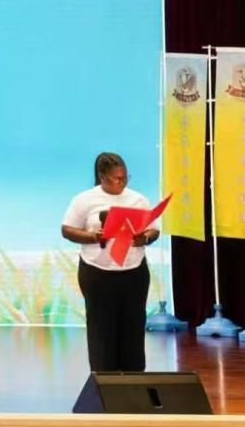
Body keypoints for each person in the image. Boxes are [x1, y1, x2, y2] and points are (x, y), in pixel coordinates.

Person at [61, 152, 158, 372]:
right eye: (117, 178)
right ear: (102, 176)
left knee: (133, 326)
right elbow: (67, 229)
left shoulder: (138, 199)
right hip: (97, 273)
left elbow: (153, 229)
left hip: (134, 272)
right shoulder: (85, 200)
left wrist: (145, 238)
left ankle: (133, 380)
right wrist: (93, 236)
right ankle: (104, 381)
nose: (122, 183)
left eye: (125, 178)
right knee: (101, 328)